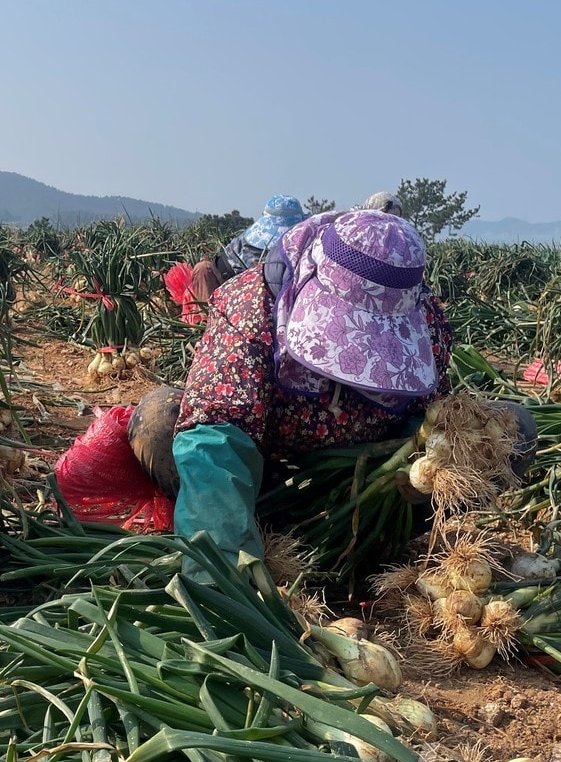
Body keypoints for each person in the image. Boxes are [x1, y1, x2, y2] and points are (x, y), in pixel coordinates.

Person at [128, 209, 533, 568]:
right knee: (160, 419)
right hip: (265, 471)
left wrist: (419, 464)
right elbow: (217, 438)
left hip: (365, 484)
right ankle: (252, 530)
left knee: (513, 429)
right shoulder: (252, 307)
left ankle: (380, 549)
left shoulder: (426, 321)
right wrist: (225, 582)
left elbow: (431, 415)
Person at [188, 195, 306, 306]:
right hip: (237, 297)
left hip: (272, 299)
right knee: (203, 268)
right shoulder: (243, 246)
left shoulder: (306, 250)